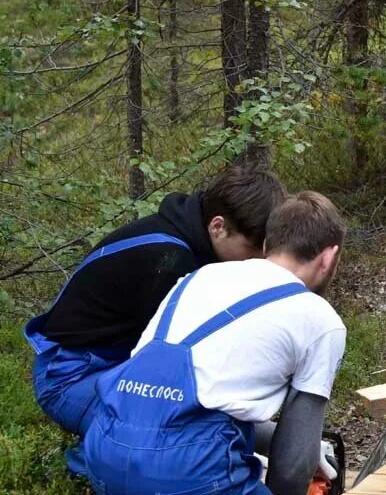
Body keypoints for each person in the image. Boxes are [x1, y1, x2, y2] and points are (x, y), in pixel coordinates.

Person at [81, 190, 348, 495]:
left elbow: (191, 406)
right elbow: (290, 470)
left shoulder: (196, 278)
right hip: (191, 471)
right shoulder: (319, 319)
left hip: (105, 449)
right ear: (328, 257)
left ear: (266, 244)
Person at [26, 165, 286, 471]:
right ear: (218, 227)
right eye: (253, 250)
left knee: (198, 420)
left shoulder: (192, 239)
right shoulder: (169, 259)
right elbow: (174, 369)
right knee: (169, 430)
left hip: (111, 363)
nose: (257, 261)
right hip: (71, 374)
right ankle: (88, 468)